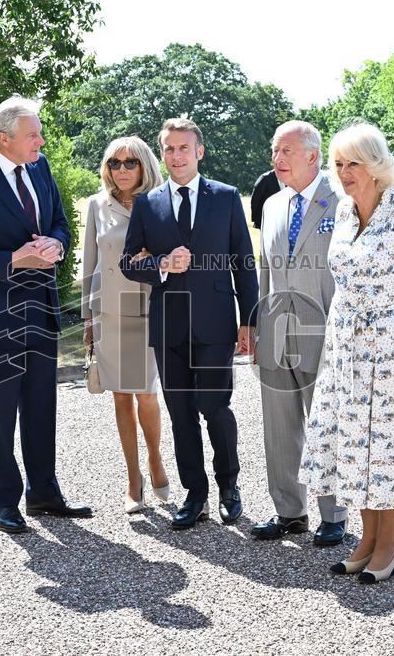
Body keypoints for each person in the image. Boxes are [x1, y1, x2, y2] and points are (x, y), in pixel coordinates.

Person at [299, 122, 394, 584]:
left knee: (388, 445)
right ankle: (365, 538)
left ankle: (388, 544)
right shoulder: (341, 212)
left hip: (391, 345)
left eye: (352, 164)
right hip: (344, 348)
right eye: (338, 164)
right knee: (353, 443)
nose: (343, 173)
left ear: (376, 166)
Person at [0, 96, 91, 534]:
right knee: (2, 410)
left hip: (40, 308)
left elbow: (62, 223)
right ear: (3, 139)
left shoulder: (42, 168)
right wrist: (13, 259)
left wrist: (57, 246)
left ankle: (44, 492)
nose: (41, 141)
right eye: (33, 135)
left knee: (43, 406)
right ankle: (5, 499)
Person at [120, 118, 259, 530]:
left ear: (199, 151)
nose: (176, 156)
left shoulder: (227, 197)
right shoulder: (148, 204)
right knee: (180, 413)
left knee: (215, 408)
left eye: (184, 148)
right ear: (161, 155)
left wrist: (249, 320)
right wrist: (161, 264)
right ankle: (194, 493)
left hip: (216, 324)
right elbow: (128, 262)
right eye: (169, 149)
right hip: (169, 327)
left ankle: (229, 486)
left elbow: (244, 263)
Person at [250, 121, 348, 545]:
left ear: (312, 155)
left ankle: (334, 514)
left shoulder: (343, 200)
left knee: (326, 423)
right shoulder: (272, 204)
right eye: (274, 151)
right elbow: (264, 269)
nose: (277, 159)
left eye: (285, 151)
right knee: (279, 427)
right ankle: (290, 512)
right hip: (276, 331)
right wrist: (256, 325)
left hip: (326, 331)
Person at [80, 136, 171, 513]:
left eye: (129, 162)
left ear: (144, 166)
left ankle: (155, 458)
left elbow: (176, 254)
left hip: (149, 307)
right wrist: (87, 318)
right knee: (120, 396)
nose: (120, 170)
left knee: (146, 393)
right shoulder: (96, 206)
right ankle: (133, 480)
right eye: (114, 163)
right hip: (109, 312)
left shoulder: (162, 203)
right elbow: (90, 264)